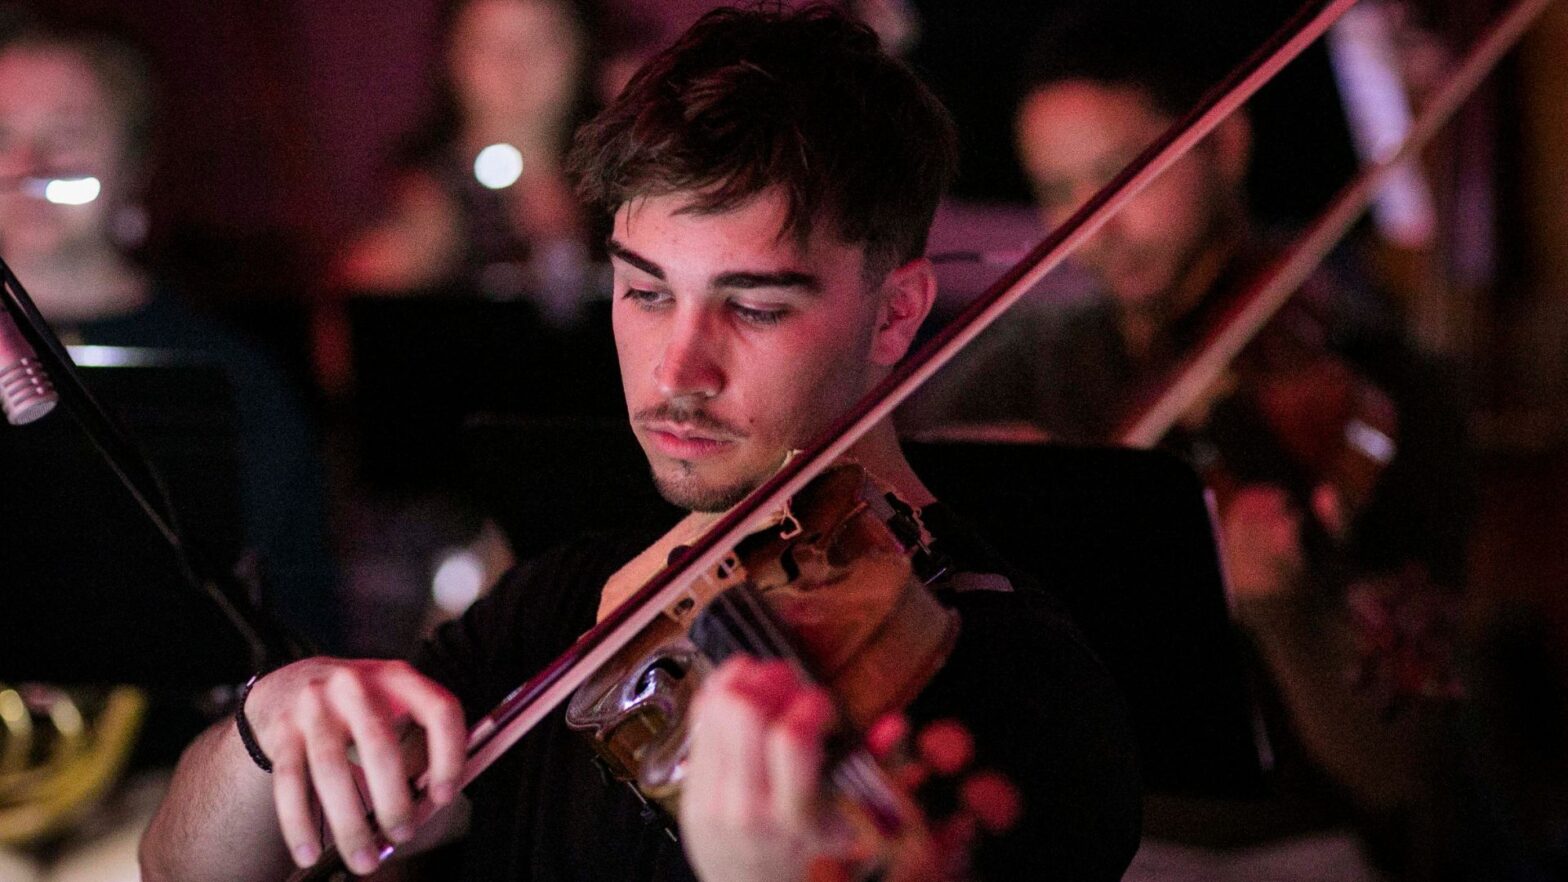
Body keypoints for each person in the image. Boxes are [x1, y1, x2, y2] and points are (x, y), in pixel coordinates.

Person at [139, 7, 1141, 882]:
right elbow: (176, 870)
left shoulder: (1020, 686)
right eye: (644, 292)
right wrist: (262, 734)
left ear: (894, 317)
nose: (674, 371)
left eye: (750, 308)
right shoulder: (567, 598)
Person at [904, 6, 1472, 880]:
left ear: (1227, 146)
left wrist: (1284, 601)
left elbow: (1397, 770)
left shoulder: (1377, 384)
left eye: (1127, 177)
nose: (1095, 227)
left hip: (1296, 845)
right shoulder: (1026, 373)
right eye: (1059, 191)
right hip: (1084, 833)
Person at [0, 10, 340, 650]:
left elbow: (299, 619)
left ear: (134, 161)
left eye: (67, 136)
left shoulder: (236, 380)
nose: (29, 166)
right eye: (1, 137)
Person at [333, 0, 595, 323]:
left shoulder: (616, 184)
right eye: (488, 45)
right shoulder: (436, 200)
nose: (515, 67)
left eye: (540, 40)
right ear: (452, 60)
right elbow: (347, 300)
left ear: (581, 50)